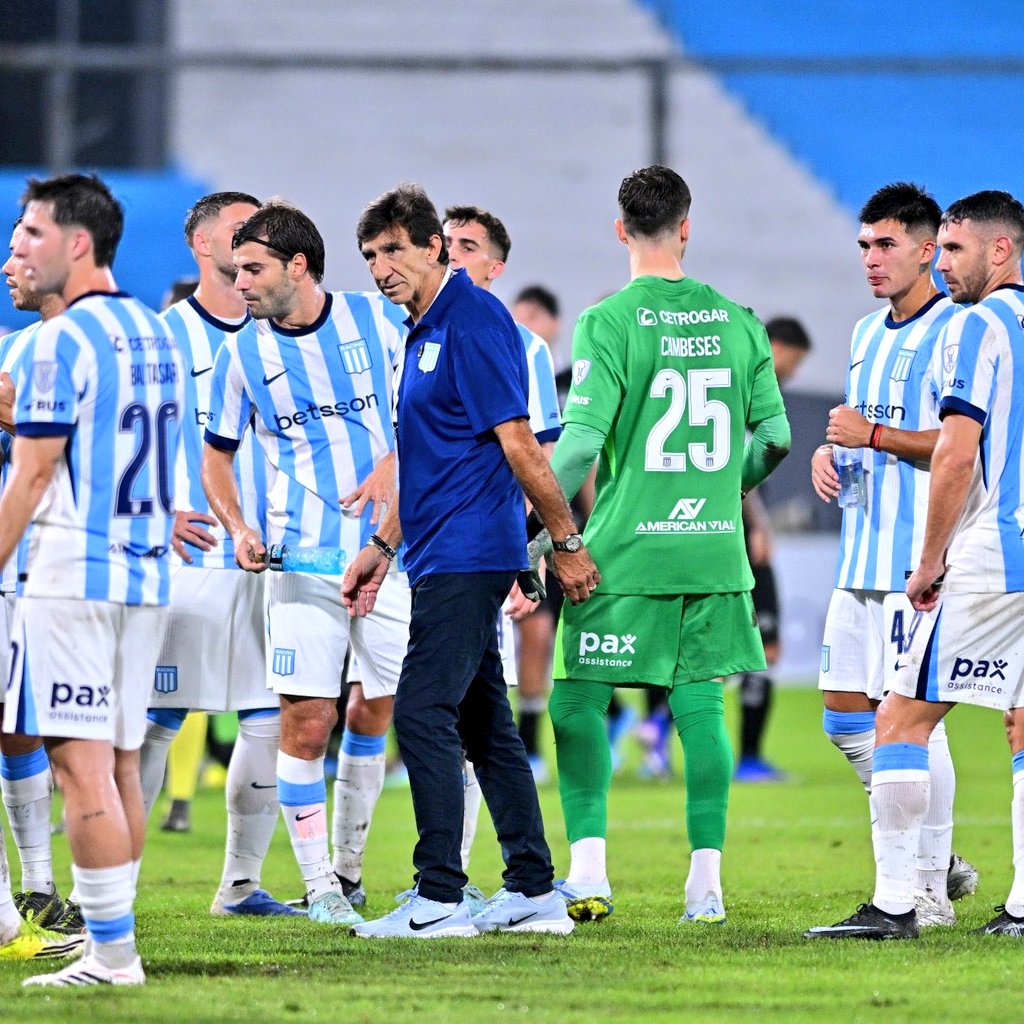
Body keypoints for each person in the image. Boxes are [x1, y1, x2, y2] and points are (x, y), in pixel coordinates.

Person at [537, 164, 790, 925]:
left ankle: (587, 876)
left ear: (621, 230)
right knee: (700, 711)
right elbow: (775, 438)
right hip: (713, 551)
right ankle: (705, 887)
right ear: (687, 227)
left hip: (627, 550)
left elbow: (578, 447)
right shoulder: (741, 321)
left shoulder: (607, 322)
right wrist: (722, 487)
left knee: (578, 699)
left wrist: (542, 531)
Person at [343, 182, 595, 938]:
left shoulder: (476, 321)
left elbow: (520, 443)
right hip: (436, 548)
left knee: (422, 711)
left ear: (433, 247)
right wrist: (383, 548)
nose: (381, 267)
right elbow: (427, 460)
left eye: (393, 250)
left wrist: (565, 541)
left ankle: (440, 896)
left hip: (469, 551)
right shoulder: (421, 329)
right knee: (487, 725)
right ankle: (533, 890)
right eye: (369, 256)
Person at [805, 190, 1024, 940]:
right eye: (863, 245)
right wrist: (834, 451)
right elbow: (865, 427)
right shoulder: (868, 332)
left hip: (930, 556)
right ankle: (951, 870)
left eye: (886, 244)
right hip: (862, 551)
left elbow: (957, 443)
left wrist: (873, 440)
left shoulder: (966, 327)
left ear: (932, 248)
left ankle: (919, 889)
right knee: (847, 717)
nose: (871, 259)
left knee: (911, 719)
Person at [201, 200, 408, 926]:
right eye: (234, 271)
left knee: (382, 712)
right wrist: (237, 525)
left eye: (252, 270)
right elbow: (216, 458)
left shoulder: (377, 322)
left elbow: (432, 408)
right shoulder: (242, 353)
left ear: (299, 266)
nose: (239, 285)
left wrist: (393, 461)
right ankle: (320, 888)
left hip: (393, 557)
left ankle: (354, 873)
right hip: (299, 559)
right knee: (307, 721)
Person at [0, 173, 184, 985]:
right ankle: (116, 936)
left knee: (78, 770)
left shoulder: (54, 340)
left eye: (31, 233)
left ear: (79, 242)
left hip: (73, 569)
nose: (19, 250)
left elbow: (32, 478)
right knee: (115, 767)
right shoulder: (156, 331)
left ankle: (113, 955)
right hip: (145, 576)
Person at [135, 191, 301, 917]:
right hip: (189, 559)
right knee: (154, 719)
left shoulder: (286, 335)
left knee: (270, 714)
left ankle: (239, 885)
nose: (253, 243)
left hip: (272, 559)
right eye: (241, 232)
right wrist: (155, 510)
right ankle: (108, 889)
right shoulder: (164, 335)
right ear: (205, 247)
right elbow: (124, 435)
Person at [442, 204, 562, 868]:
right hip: (411, 550)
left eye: (469, 245)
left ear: (496, 266)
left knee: (464, 716)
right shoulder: (407, 331)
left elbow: (534, 457)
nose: (454, 253)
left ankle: (448, 881)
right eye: (446, 242)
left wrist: (528, 554)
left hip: (476, 552)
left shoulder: (525, 347)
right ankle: (345, 876)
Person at [733, 316, 812, 782]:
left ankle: (746, 756)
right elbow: (732, 466)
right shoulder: (746, 383)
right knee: (765, 646)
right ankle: (746, 757)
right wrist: (758, 523)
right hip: (734, 534)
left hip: (727, 528)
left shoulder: (741, 380)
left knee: (765, 646)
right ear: (775, 346)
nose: (794, 374)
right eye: (793, 361)